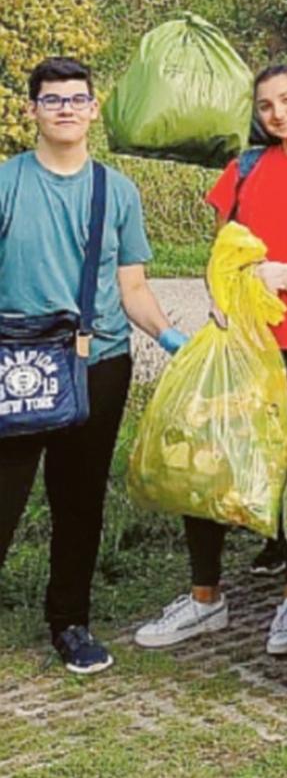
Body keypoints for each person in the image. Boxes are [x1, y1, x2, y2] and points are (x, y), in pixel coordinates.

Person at [136, 64, 287, 659]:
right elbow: (221, 252)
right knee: (209, 458)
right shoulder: (245, 168)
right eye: (266, 106)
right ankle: (204, 597)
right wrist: (221, 301)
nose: (277, 114)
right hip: (240, 340)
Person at [0, 57, 186, 675]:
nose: (66, 110)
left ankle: (70, 622)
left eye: (77, 99)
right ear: (33, 110)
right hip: (18, 363)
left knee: (79, 501)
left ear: (94, 108)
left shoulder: (118, 190)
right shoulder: (8, 182)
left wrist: (169, 334)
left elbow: (131, 286)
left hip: (97, 363)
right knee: (5, 495)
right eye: (52, 100)